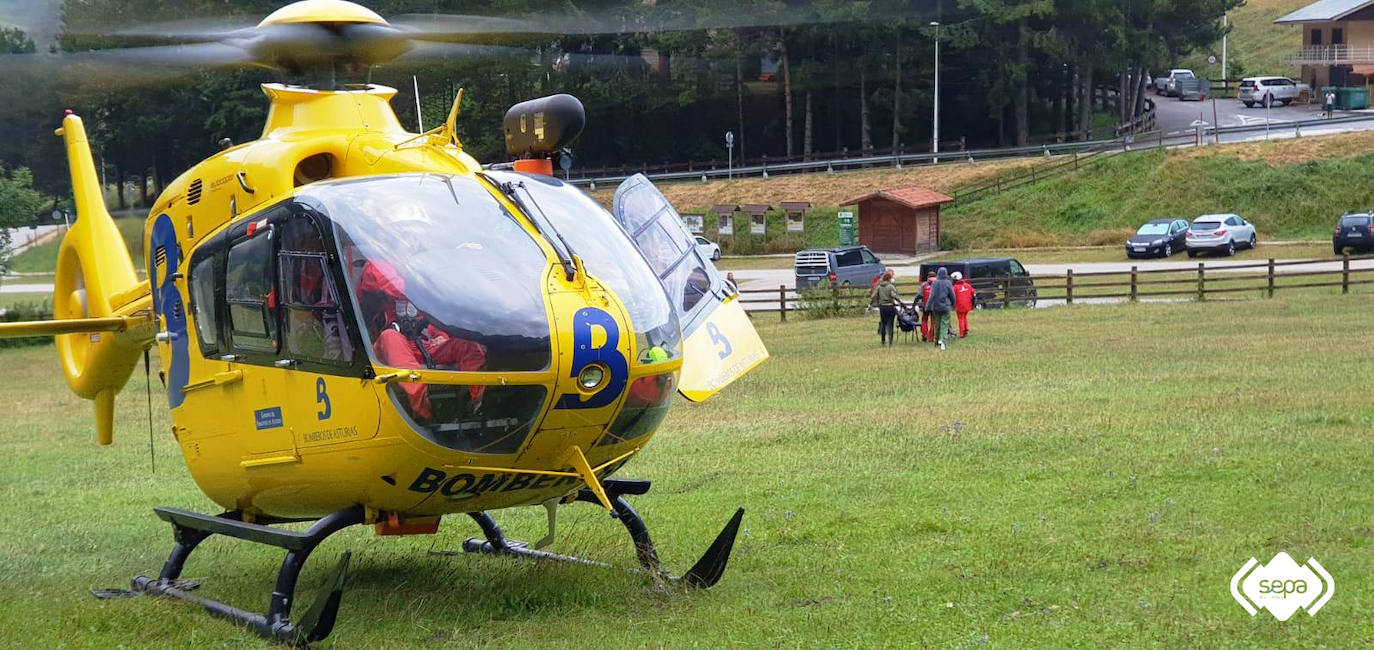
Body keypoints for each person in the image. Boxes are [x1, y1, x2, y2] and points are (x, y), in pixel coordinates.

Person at [869, 269, 904, 346]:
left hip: (882, 307)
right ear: (889, 279)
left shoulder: (879, 287)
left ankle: (883, 341)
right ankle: (890, 341)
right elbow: (894, 296)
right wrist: (900, 302)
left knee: (883, 323)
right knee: (890, 324)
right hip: (890, 306)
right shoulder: (890, 286)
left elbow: (873, 296)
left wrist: (872, 304)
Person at [924, 267, 956, 351]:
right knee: (945, 324)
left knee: (937, 324)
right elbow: (952, 295)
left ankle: (936, 341)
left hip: (936, 307)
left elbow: (932, 296)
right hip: (945, 307)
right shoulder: (948, 283)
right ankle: (943, 340)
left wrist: (928, 307)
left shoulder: (935, 283)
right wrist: (953, 304)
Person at [952, 271, 976, 338]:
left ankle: (962, 333)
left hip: (960, 305)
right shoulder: (967, 285)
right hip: (967, 305)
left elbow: (952, 296)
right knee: (964, 317)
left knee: (960, 318)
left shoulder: (955, 287)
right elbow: (973, 292)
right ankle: (966, 329)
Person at [919, 271, 936, 342]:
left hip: (925, 306)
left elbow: (920, 295)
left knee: (924, 320)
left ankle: (924, 334)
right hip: (934, 306)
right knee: (933, 321)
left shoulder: (924, 285)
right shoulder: (937, 284)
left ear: (927, 277)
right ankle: (931, 337)